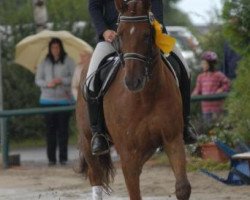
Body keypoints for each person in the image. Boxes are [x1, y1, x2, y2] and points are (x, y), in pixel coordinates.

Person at [86, 0, 197, 156]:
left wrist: (154, 25)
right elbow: (94, 6)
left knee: (184, 68)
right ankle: (98, 133)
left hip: (147, 34)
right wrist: (104, 30)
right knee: (91, 79)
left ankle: (185, 124)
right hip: (114, 36)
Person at [35, 37, 75, 166]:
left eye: (57, 47)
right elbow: (38, 80)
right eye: (53, 47)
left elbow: (73, 78)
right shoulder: (44, 62)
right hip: (47, 100)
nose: (55, 50)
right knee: (50, 131)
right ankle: (51, 159)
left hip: (64, 100)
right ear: (50, 49)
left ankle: (63, 158)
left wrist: (61, 80)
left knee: (63, 131)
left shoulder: (68, 61)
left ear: (61, 48)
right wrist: (48, 84)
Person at [192, 51, 230, 124]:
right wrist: (191, 96)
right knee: (207, 127)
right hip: (205, 108)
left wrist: (221, 90)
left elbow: (227, 83)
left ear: (210, 64)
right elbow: (197, 89)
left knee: (218, 126)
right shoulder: (201, 77)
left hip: (217, 108)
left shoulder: (218, 75)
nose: (202, 65)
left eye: (204, 63)